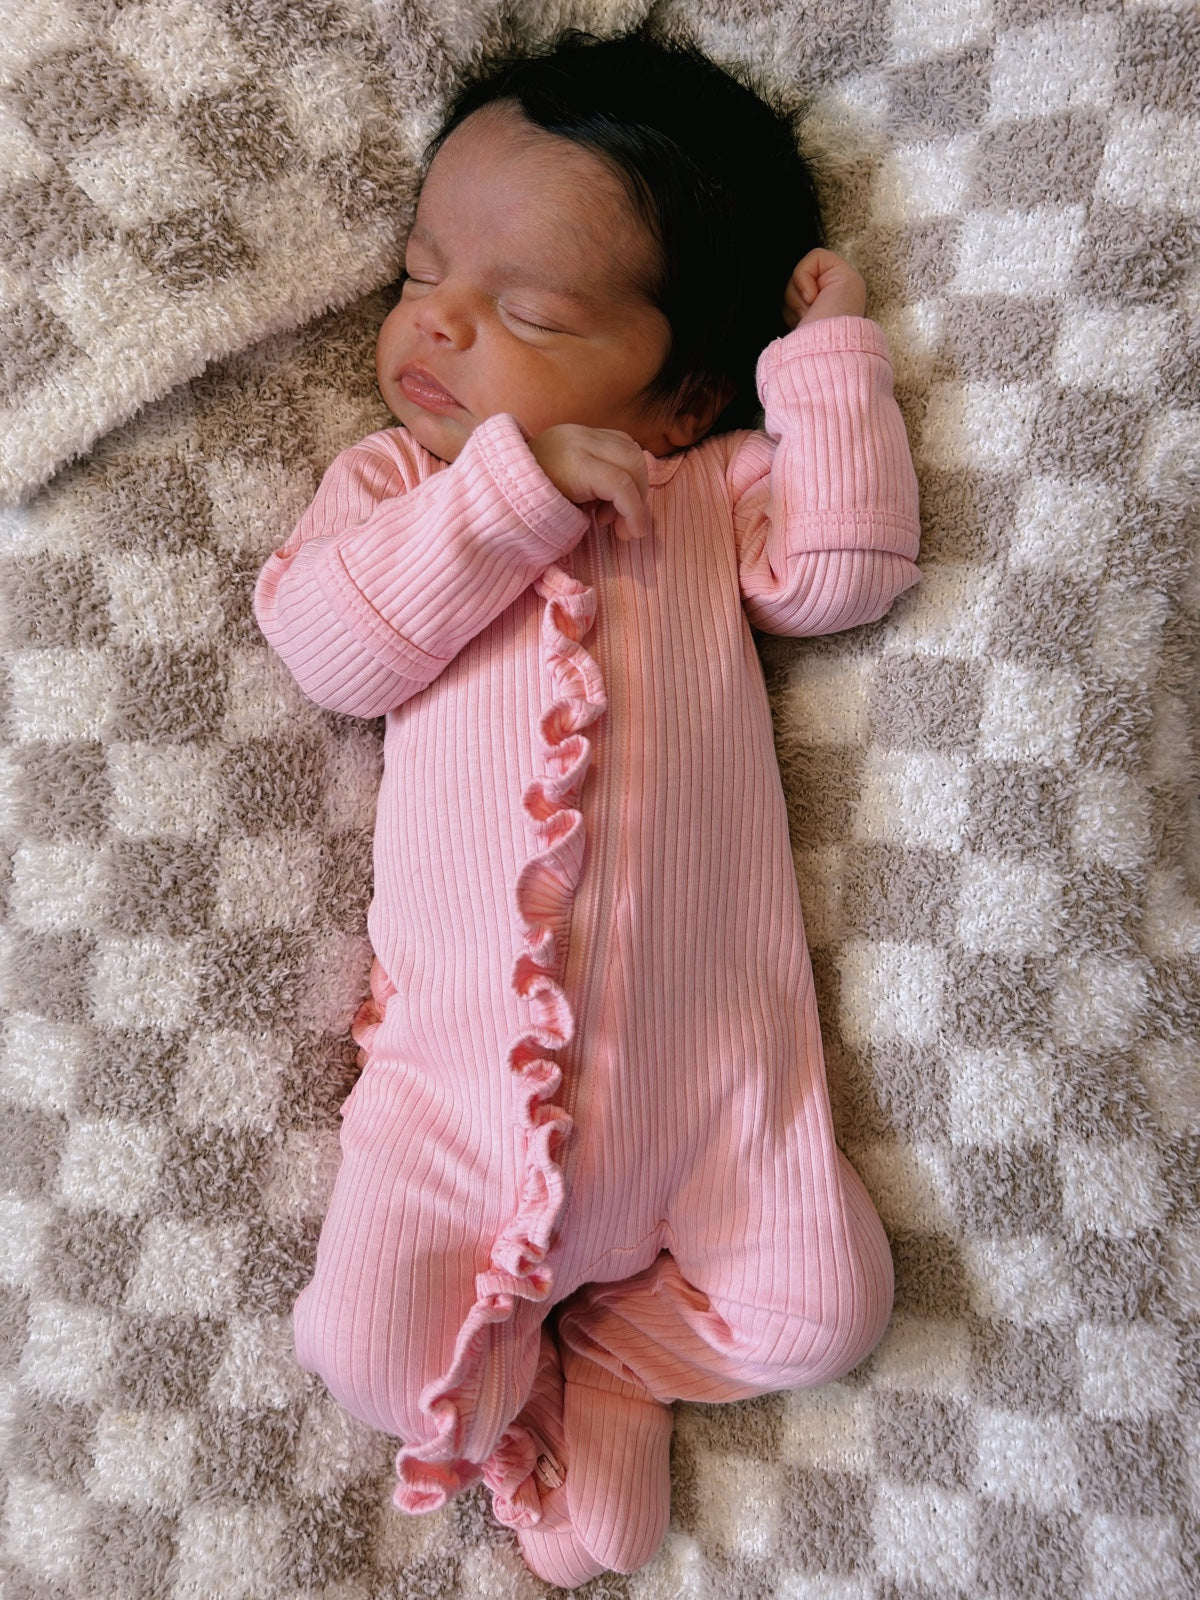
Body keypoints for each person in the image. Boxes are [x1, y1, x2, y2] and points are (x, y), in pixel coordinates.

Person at [254, 26, 919, 1589]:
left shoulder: (700, 491)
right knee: (360, 1350)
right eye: (421, 277)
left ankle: (612, 1364)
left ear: (681, 390)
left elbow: (845, 573)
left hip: (723, 1096)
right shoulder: (399, 495)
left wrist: (828, 364)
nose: (440, 327)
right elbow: (334, 647)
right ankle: (518, 1382)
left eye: (530, 313)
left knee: (829, 1310)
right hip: (454, 1098)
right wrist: (509, 488)